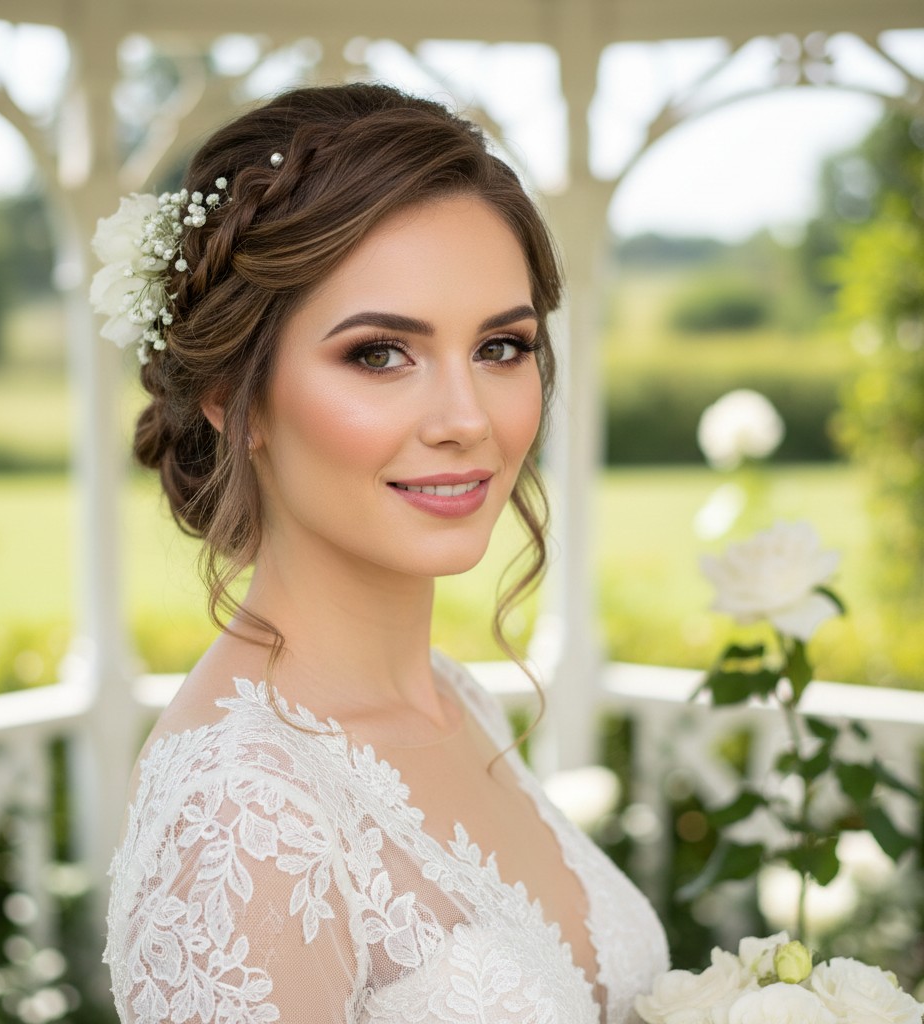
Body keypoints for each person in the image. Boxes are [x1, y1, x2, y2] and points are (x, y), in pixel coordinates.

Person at [96, 83, 668, 1024]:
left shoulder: (455, 698)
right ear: (232, 395)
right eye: (379, 354)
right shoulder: (240, 812)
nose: (466, 420)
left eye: (501, 346)